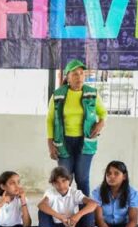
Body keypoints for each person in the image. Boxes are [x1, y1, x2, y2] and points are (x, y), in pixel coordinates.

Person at [46, 59, 108, 196]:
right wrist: (50, 144)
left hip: (86, 141)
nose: (79, 77)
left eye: (81, 73)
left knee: (82, 179)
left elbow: (103, 112)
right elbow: (50, 120)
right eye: (75, 74)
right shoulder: (57, 95)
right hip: (63, 142)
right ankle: (63, 209)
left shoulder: (92, 94)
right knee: (64, 180)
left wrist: (101, 123)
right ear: (67, 77)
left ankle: (85, 210)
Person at [36, 166, 100, 227]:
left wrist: (77, 215)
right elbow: (41, 205)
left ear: (69, 180)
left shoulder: (75, 193)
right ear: (52, 183)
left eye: (64, 181)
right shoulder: (50, 192)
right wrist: (60, 217)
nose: (61, 185)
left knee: (87, 208)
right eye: (57, 182)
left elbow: (93, 204)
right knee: (43, 210)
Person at [92, 160, 138, 227]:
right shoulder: (98, 192)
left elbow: (133, 220)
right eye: (108, 174)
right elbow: (99, 219)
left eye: (116, 173)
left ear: (124, 176)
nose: (111, 176)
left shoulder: (132, 193)